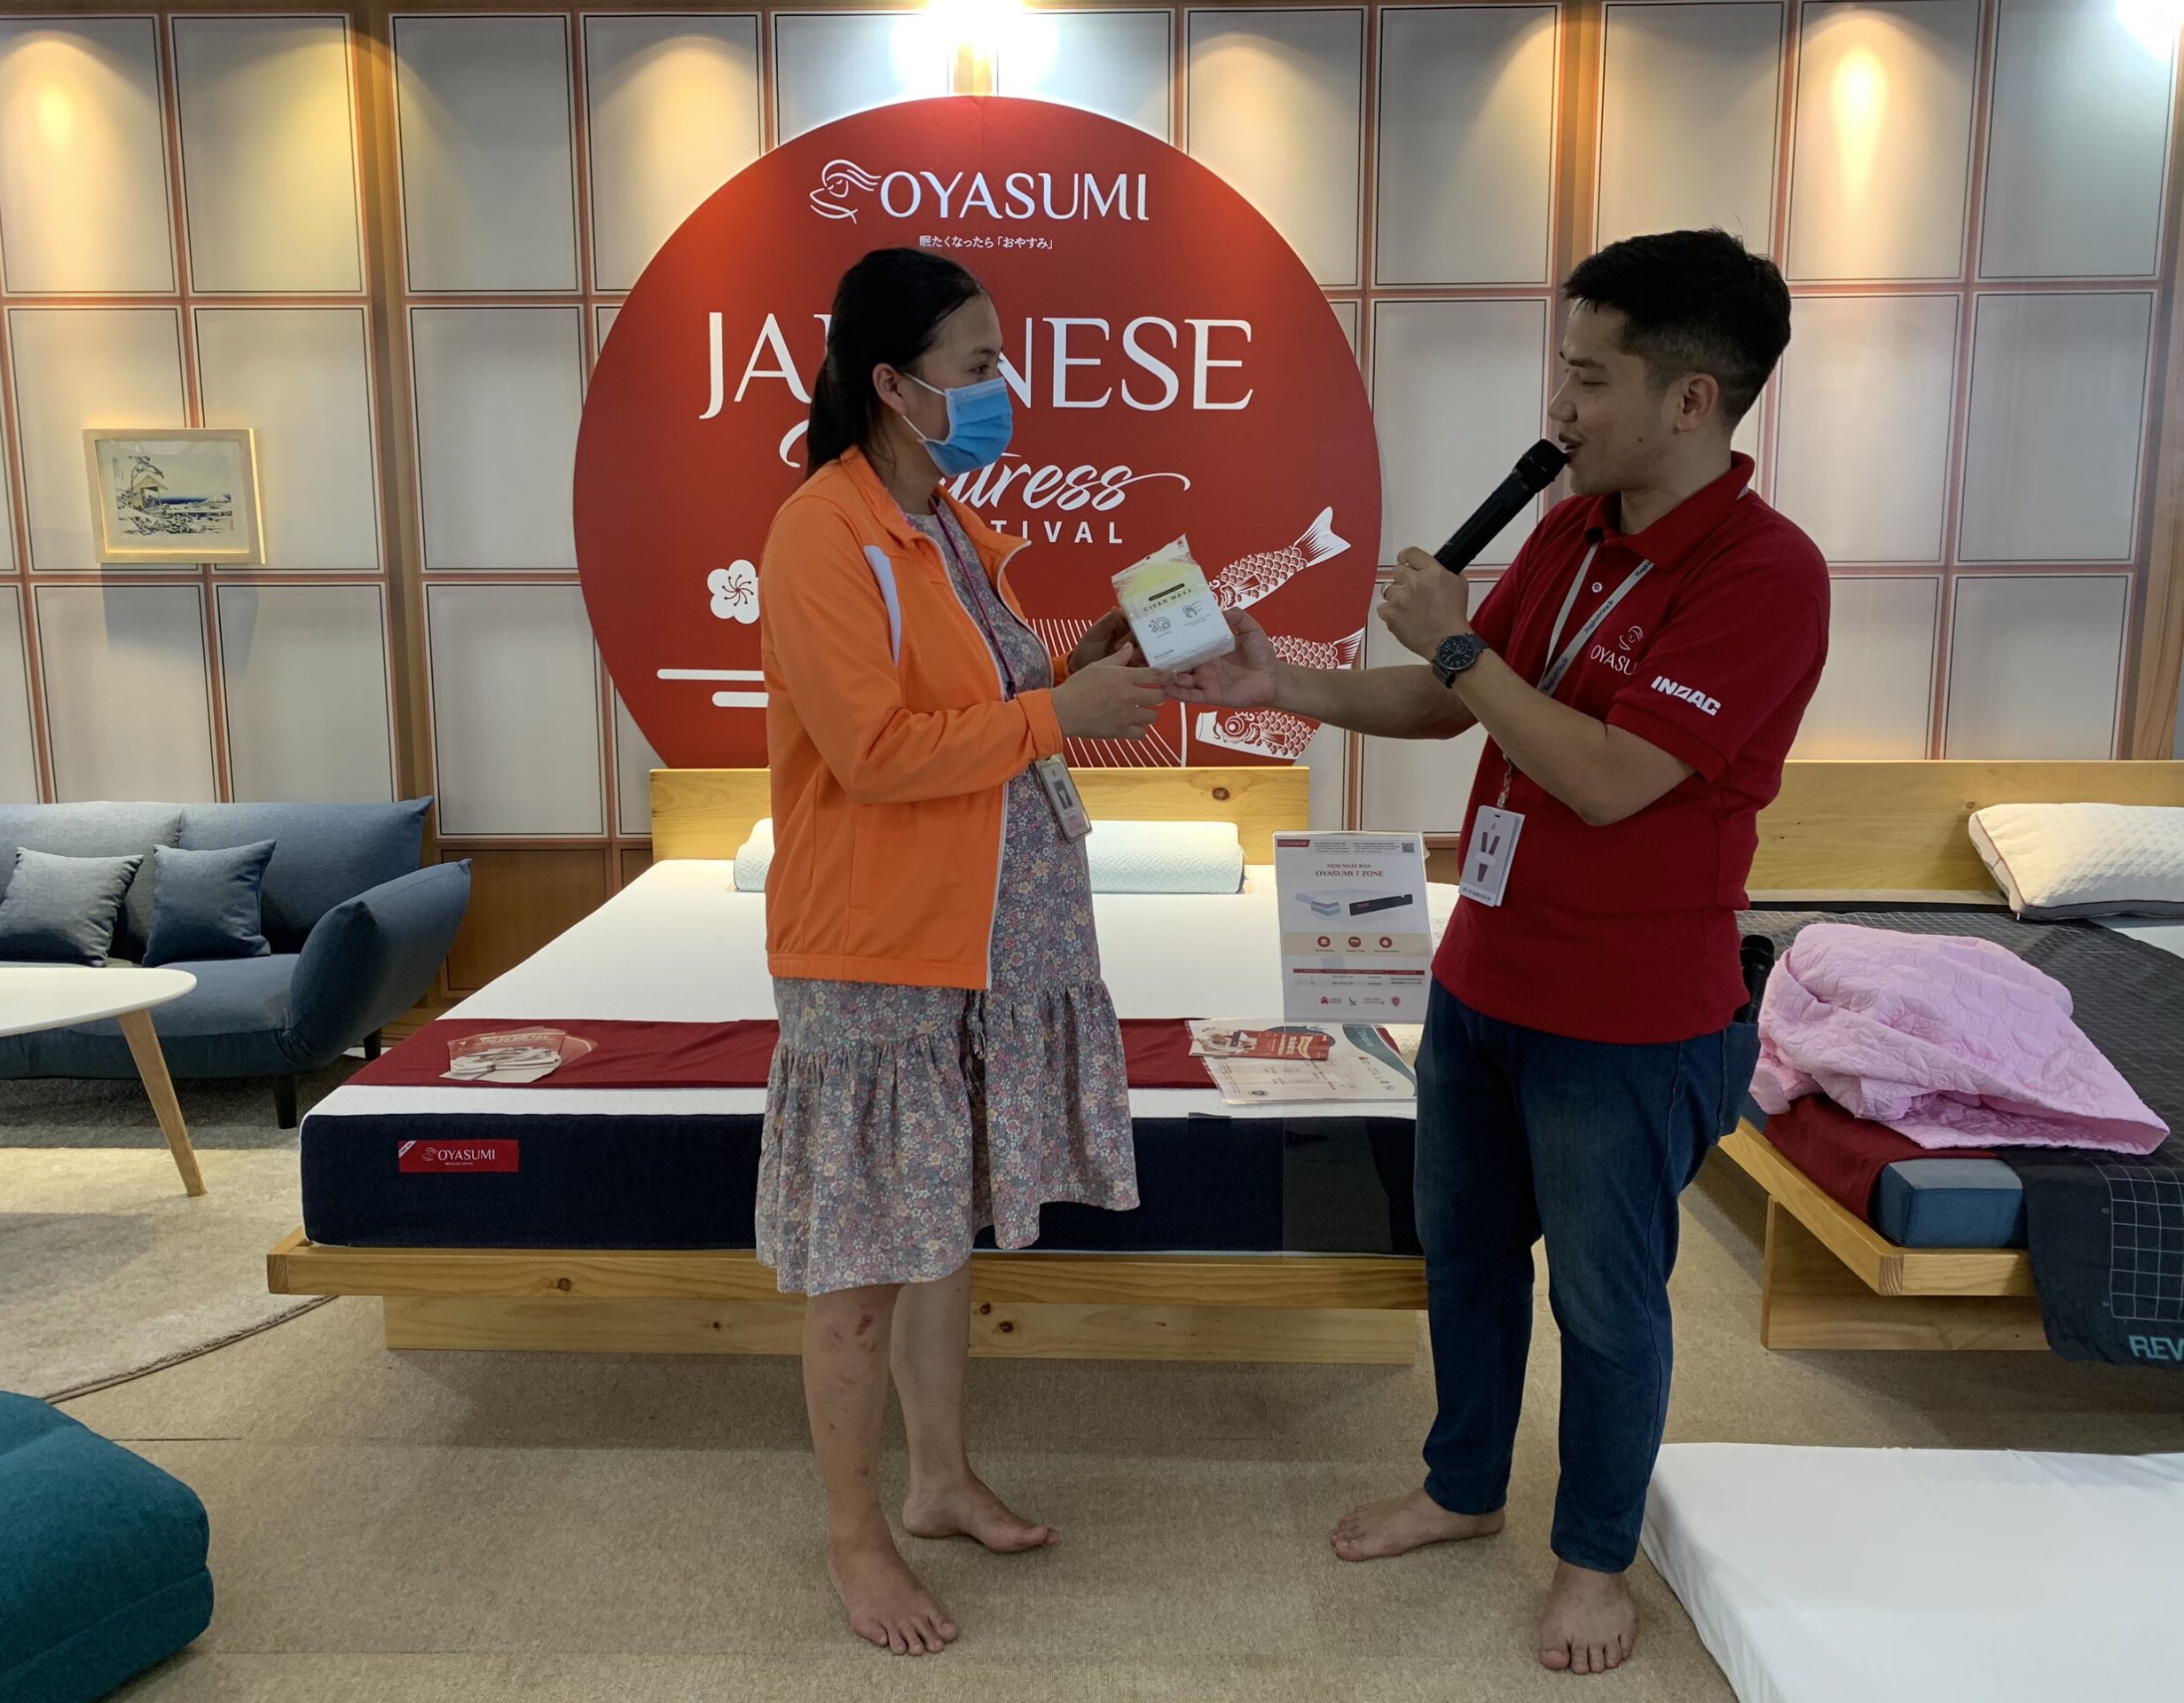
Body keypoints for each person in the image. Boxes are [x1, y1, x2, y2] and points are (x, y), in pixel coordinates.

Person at [1172, 229, 1830, 1676]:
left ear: (1692, 399)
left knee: (1606, 1304)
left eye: (1590, 378)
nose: (1559, 406)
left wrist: (1464, 648)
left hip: (1630, 1019)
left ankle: (1593, 1559)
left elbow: (1607, 778)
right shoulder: (1573, 534)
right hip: (1482, 979)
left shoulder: (1768, 576)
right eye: (1562, 371)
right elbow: (1449, 705)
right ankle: (1463, 1486)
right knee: (1465, 1261)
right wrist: (1283, 682)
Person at [755, 247, 1167, 1657]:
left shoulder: (943, 521)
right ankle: (854, 1538)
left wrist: (1071, 668)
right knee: (866, 1256)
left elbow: (983, 701)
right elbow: (872, 754)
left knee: (940, 1228)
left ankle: (936, 1483)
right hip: (876, 948)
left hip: (983, 938)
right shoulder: (823, 534)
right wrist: (1060, 717)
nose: (1002, 389)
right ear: (892, 382)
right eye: (978, 367)